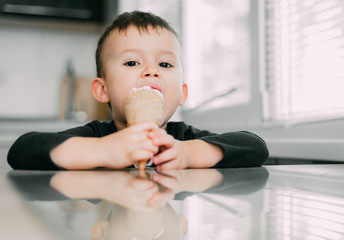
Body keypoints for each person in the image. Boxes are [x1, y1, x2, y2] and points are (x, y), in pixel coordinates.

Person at [7, 11, 269, 171]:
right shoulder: (97, 137)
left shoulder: (183, 139)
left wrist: (189, 154)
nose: (151, 71)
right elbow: (23, 150)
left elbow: (255, 147)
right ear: (102, 90)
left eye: (164, 64)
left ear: (182, 93)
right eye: (132, 62)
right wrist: (103, 151)